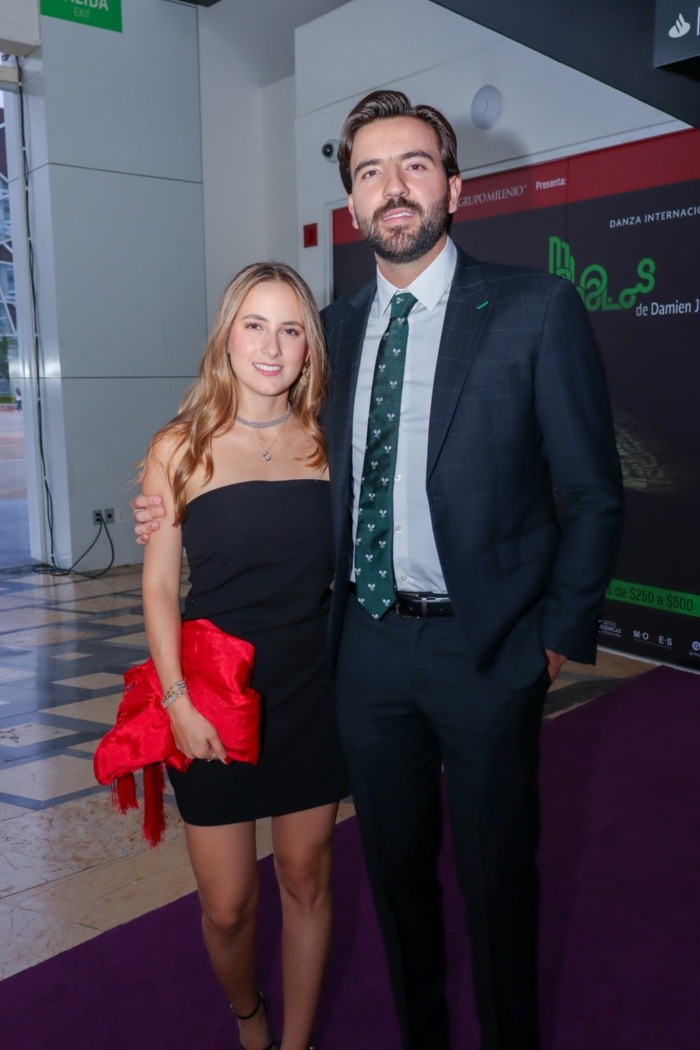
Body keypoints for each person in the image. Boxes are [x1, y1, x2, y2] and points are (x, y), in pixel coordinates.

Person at [134, 92, 624, 1050]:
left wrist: (554, 640)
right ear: (353, 204)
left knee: (496, 885)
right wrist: (169, 503)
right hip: (360, 659)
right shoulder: (331, 331)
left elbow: (594, 493)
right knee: (396, 884)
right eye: (369, 172)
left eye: (413, 165)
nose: (392, 187)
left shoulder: (535, 309)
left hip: (490, 652)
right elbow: (255, 449)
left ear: (454, 187)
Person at [138, 261, 348, 1050]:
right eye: (255, 325)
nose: (271, 345)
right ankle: (250, 1017)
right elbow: (160, 587)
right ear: (226, 336)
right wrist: (175, 700)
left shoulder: (332, 444)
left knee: (306, 877)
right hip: (212, 698)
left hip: (312, 691)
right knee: (227, 906)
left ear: (309, 348)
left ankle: (294, 1045)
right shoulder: (179, 447)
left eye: (291, 329)